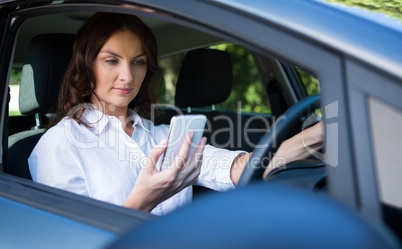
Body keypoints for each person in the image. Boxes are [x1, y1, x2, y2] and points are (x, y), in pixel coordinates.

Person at [28, 12, 323, 216]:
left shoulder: (165, 136)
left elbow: (243, 167)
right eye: (111, 60)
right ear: (86, 65)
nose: (127, 76)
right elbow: (73, 245)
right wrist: (141, 202)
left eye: (138, 62)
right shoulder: (59, 145)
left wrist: (320, 133)